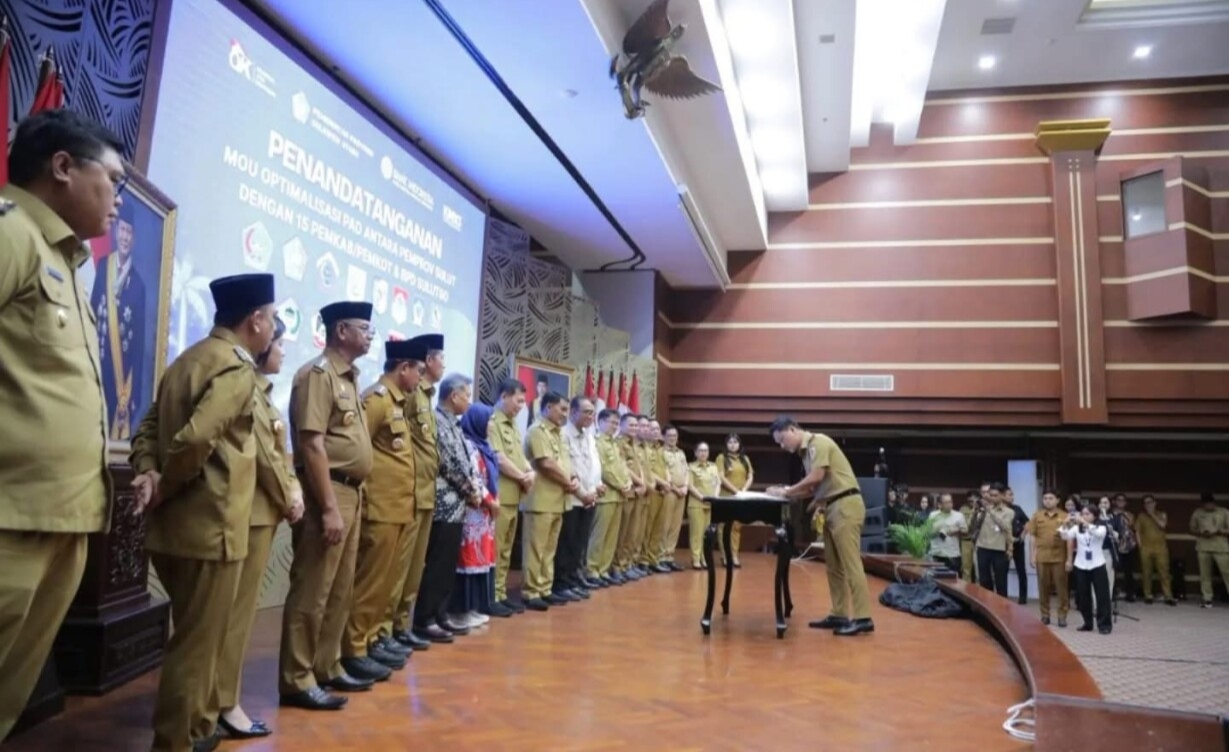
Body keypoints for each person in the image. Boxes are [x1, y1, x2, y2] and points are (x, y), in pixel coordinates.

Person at [0, 109, 122, 741]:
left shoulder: (72, 263)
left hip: (61, 517)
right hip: (10, 518)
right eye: (113, 180)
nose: (118, 201)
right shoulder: (12, 230)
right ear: (63, 167)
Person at [132, 273, 278, 752]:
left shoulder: (188, 359)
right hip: (212, 528)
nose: (272, 328)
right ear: (254, 320)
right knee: (196, 646)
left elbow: (148, 426)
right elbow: (197, 439)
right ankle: (175, 740)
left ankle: (195, 730)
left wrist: (151, 473)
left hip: (174, 529)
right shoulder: (236, 369)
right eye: (272, 318)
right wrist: (167, 484)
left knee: (194, 638)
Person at [279, 301, 376, 711]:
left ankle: (327, 664)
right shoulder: (317, 376)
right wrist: (330, 507)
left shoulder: (350, 377)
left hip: (351, 493)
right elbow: (312, 443)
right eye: (364, 328)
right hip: (329, 494)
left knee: (339, 589)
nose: (371, 335)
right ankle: (297, 678)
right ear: (341, 331)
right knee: (313, 590)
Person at [215, 314, 304, 739]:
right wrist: (291, 495)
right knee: (232, 618)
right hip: (248, 515)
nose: (283, 350)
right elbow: (267, 455)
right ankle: (223, 703)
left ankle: (220, 699)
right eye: (280, 342)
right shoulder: (246, 383)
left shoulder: (265, 392)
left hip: (259, 514)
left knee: (238, 617)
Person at [341, 337, 428, 684]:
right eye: (418, 370)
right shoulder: (376, 400)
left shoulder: (399, 402)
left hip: (398, 509)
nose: (420, 378)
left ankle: (375, 636)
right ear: (403, 368)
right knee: (369, 583)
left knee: (385, 583)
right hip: (379, 508)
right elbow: (360, 452)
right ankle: (355, 648)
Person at [767, 416, 874, 637]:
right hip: (831, 507)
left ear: (793, 429)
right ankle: (839, 613)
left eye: (782, 439)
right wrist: (788, 492)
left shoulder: (818, 442)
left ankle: (864, 618)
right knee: (833, 566)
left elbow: (816, 477)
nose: (782, 445)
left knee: (851, 563)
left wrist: (786, 491)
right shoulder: (805, 454)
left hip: (846, 505)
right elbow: (810, 490)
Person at [383, 334, 446, 648]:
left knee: (412, 568)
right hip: (407, 491)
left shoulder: (427, 396)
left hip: (425, 492)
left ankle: (400, 625)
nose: (442, 365)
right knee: (397, 567)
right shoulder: (409, 394)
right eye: (440, 359)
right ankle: (386, 629)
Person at [413, 373, 480, 638]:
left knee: (447, 565)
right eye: (467, 395)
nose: (469, 401)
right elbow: (447, 462)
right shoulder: (437, 420)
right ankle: (425, 618)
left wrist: (472, 488)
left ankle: (440, 614)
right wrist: (469, 490)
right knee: (437, 563)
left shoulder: (454, 423)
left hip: (458, 505)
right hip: (444, 504)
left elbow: (463, 460)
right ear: (454, 396)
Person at [521, 392, 579, 610]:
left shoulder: (559, 434)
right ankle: (530, 591)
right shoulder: (537, 431)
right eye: (562, 409)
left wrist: (574, 478)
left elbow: (565, 461)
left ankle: (544, 588)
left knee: (549, 550)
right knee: (536, 548)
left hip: (558, 500)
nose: (565, 414)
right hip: (540, 500)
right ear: (547, 408)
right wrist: (568, 482)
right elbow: (546, 464)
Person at [91, 215, 147, 440]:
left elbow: (140, 342)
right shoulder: (104, 266)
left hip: (121, 381)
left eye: (129, 233)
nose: (125, 237)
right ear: (116, 232)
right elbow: (93, 312)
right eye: (122, 230)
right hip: (97, 365)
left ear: (134, 239)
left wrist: (134, 395)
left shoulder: (139, 285)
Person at [486, 378, 534, 616]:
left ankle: (501, 592)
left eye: (523, 402)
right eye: (518, 400)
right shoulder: (492, 422)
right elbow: (499, 458)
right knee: (496, 549)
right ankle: (491, 595)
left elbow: (519, 456)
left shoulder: (514, 425)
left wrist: (529, 470)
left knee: (506, 550)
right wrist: (522, 477)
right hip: (500, 495)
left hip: (515, 496)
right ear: (504, 396)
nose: (521, 406)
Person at [453, 403, 501, 625]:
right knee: (469, 558)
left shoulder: (485, 446)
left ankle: (474, 607)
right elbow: (473, 478)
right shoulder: (468, 445)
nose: (492, 425)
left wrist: (493, 500)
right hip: (473, 511)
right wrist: (490, 501)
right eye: (489, 420)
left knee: (482, 557)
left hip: (486, 514)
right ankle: (461, 610)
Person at [557, 396, 603, 600]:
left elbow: (592, 466)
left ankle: (575, 577)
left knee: (580, 543)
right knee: (566, 542)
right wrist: (583, 493)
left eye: (592, 412)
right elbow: (568, 467)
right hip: (573, 497)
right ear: (573, 412)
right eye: (586, 411)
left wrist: (594, 488)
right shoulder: (563, 434)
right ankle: (562, 582)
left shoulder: (588, 436)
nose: (590, 416)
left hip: (589, 497)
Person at [590, 408, 630, 584]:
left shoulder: (615, 444)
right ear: (600, 422)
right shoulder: (597, 443)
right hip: (606, 495)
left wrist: (627, 482)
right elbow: (604, 469)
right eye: (611, 422)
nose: (614, 426)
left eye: (616, 423)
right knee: (599, 535)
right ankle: (592, 570)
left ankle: (604, 570)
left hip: (619, 495)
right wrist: (621, 485)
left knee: (612, 536)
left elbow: (622, 467)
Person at [1061, 505, 1112, 635]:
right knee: (1083, 596)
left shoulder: (1100, 527)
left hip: (1098, 564)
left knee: (1102, 596)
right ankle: (1087, 623)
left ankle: (1104, 624)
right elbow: (1064, 536)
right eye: (1083, 514)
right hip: (1081, 565)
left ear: (1095, 516)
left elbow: (1098, 534)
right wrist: (1065, 524)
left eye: (1088, 514)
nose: (1084, 516)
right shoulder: (1076, 528)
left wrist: (1083, 522)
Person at [1025, 490, 1069, 627]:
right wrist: (1032, 556)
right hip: (1042, 557)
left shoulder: (1065, 516)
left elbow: (1069, 540)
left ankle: (1062, 616)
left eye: (1051, 498)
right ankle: (1045, 615)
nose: (1047, 500)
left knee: (1062, 588)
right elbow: (1032, 537)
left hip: (1059, 557)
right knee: (1043, 588)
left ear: (1057, 500)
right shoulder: (1037, 516)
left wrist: (1069, 559)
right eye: (1045, 498)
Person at [613, 414, 647, 581]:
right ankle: (617, 566)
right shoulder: (619, 443)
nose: (634, 429)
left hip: (638, 492)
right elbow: (623, 467)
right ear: (622, 425)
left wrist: (642, 483)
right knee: (623, 531)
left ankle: (626, 564)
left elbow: (639, 466)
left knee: (632, 532)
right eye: (631, 426)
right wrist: (640, 482)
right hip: (628, 491)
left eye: (636, 426)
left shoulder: (634, 444)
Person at [715, 433, 753, 568]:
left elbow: (750, 475)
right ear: (726, 445)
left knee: (736, 527)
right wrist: (735, 491)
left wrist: (743, 490)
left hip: (741, 497)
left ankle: (735, 555)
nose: (733, 445)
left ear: (739, 444)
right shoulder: (721, 458)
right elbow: (721, 477)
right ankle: (725, 556)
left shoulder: (744, 458)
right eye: (730, 442)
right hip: (726, 496)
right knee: (723, 527)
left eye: (735, 442)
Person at [973, 483, 1016, 597]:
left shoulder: (1009, 512)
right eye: (990, 495)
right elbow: (972, 526)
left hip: (999, 549)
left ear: (1002, 495)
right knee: (984, 581)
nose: (992, 497)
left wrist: (990, 511)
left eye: (995, 495)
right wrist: (975, 511)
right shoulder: (983, 509)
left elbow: (1005, 527)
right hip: (983, 547)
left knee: (1001, 582)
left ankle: (1001, 609)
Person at [1189, 492, 1229, 608]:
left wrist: (1218, 531)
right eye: (1205, 504)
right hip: (1203, 547)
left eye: (1209, 503)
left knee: (1227, 573)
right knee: (1205, 575)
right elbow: (1192, 528)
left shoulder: (1224, 512)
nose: (1207, 506)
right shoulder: (1197, 513)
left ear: (1213, 502)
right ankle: (1207, 599)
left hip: (1221, 547)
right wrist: (1201, 532)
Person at [658, 424, 689, 571]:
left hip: (681, 493)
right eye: (669, 436)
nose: (672, 439)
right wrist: (676, 489)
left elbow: (686, 471)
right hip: (669, 492)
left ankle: (669, 556)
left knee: (676, 526)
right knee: (665, 524)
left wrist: (685, 487)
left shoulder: (681, 453)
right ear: (663, 437)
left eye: (675, 436)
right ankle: (661, 556)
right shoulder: (660, 452)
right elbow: (664, 473)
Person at [1135, 495, 1176, 605]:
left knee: (1164, 573)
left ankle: (1168, 596)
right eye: (1145, 503)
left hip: (1161, 548)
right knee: (1146, 573)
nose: (1148, 505)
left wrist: (1152, 514)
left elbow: (1163, 525)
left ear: (1154, 503)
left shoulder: (1162, 514)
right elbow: (1137, 532)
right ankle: (1148, 595)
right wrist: (1140, 546)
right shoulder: (1141, 516)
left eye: (1150, 502)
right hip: (1146, 548)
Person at [687, 442, 721, 569]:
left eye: (705, 450)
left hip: (711, 504)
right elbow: (690, 486)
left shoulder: (713, 467)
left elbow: (718, 483)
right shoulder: (691, 467)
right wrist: (702, 498)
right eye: (700, 451)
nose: (703, 453)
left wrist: (715, 497)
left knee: (708, 534)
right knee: (697, 533)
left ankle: (704, 558)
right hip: (697, 504)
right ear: (695, 453)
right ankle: (696, 559)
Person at [927, 493, 967, 574]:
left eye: (951, 502)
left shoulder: (959, 515)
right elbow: (927, 532)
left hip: (952, 554)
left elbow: (965, 531)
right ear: (939, 504)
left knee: (953, 580)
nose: (949, 505)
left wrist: (956, 531)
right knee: (936, 579)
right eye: (946, 502)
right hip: (936, 553)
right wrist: (936, 531)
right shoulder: (933, 515)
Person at [1006, 487, 1029, 604]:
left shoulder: (1017, 509)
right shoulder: (1001, 510)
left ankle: (1023, 597)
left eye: (1012, 495)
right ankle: (1002, 596)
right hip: (1004, 544)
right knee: (1002, 570)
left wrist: (1023, 535)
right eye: (1009, 495)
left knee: (1021, 570)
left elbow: (1027, 522)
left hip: (1018, 543)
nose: (1012, 497)